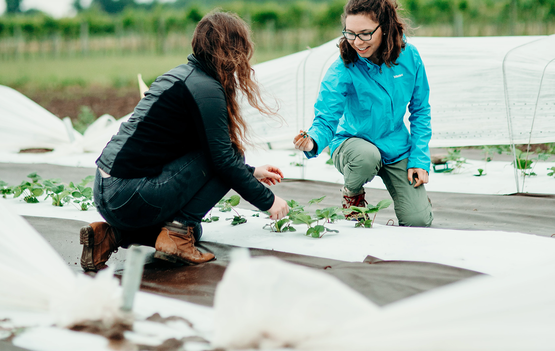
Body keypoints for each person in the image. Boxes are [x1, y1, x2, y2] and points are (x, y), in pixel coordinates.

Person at [80, 11, 290, 272]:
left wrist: (253, 172)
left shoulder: (183, 76)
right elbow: (223, 160)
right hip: (129, 195)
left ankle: (111, 235)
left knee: (196, 230)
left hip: (106, 191)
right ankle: (176, 235)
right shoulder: (206, 88)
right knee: (227, 162)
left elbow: (204, 151)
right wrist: (269, 201)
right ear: (233, 50)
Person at [293, 0, 432, 227]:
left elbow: (420, 110)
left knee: (418, 220)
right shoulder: (343, 68)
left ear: (384, 27)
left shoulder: (410, 57)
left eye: (365, 34)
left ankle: (418, 204)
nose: (357, 42)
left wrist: (419, 158)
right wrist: (313, 141)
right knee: (367, 156)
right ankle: (352, 194)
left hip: (395, 145)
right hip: (352, 144)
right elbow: (327, 116)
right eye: (350, 33)